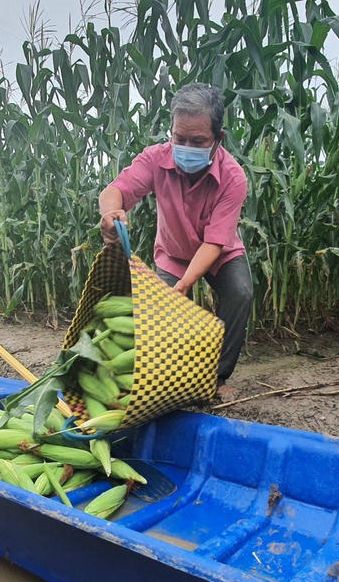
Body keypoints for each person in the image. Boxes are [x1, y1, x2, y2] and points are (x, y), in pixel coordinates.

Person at [98, 83, 253, 401]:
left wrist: (185, 285)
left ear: (217, 140)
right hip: (173, 252)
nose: (186, 147)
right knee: (160, 320)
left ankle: (216, 378)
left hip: (218, 252)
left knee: (240, 293)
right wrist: (111, 212)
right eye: (179, 139)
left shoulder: (233, 177)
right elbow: (117, 190)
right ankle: (167, 377)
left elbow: (214, 243)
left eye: (198, 141)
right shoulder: (155, 159)